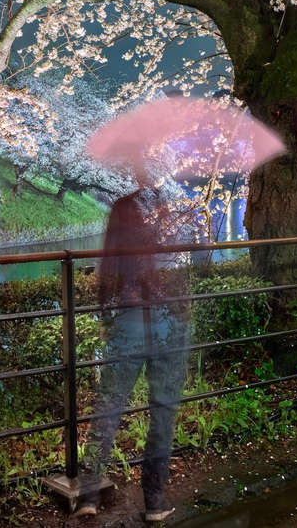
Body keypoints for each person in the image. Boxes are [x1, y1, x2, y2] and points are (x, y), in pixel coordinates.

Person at [76, 169, 190, 522]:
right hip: (165, 325)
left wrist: (106, 319)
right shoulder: (170, 211)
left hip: (127, 324)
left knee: (108, 409)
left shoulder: (121, 210)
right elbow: (182, 271)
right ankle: (154, 500)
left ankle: (88, 495)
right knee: (163, 412)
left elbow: (108, 271)